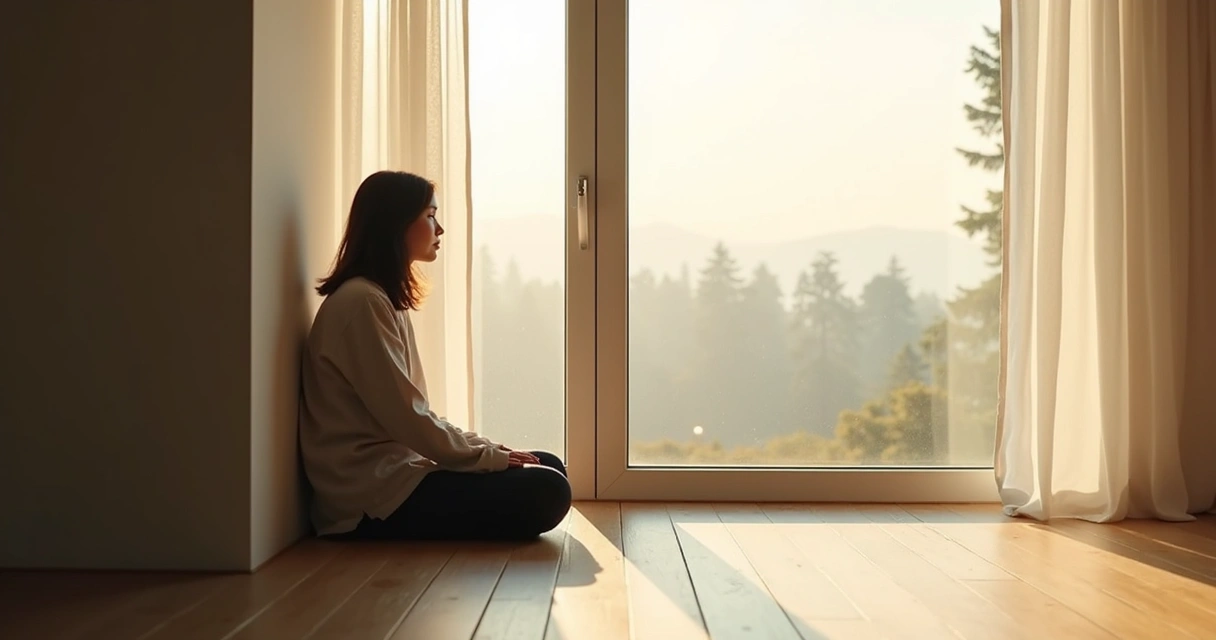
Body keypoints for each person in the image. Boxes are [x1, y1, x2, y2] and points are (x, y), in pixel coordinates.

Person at [299, 170, 571, 541]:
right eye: (430, 216)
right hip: (371, 497)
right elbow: (408, 418)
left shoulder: (380, 299)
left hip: (399, 474)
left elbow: (413, 414)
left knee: (550, 465)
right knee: (550, 489)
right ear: (395, 225)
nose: (439, 228)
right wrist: (486, 456)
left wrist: (486, 448)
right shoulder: (361, 303)